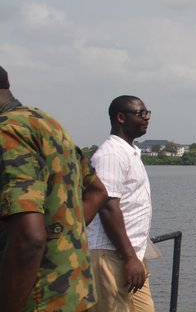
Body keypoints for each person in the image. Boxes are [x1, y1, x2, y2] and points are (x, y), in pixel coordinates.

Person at [0, 65, 108, 312]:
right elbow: (97, 191)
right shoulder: (47, 123)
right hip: (75, 294)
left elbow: (29, 238)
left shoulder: (7, 132)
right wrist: (60, 239)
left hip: (36, 300)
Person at [86, 95, 155, 312]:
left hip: (131, 254)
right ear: (120, 118)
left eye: (147, 113)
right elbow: (107, 206)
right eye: (140, 113)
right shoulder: (111, 153)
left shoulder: (130, 152)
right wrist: (129, 258)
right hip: (111, 253)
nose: (146, 118)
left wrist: (135, 257)